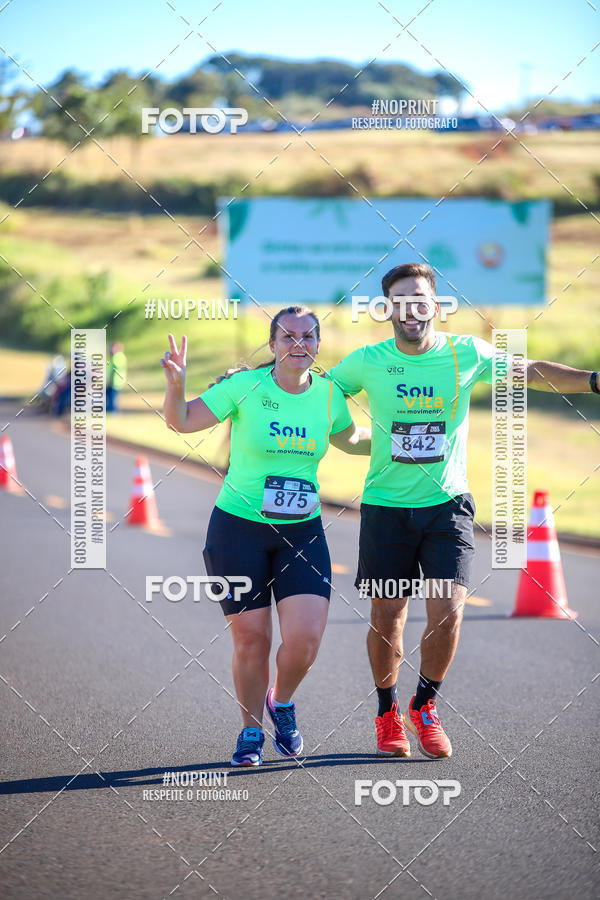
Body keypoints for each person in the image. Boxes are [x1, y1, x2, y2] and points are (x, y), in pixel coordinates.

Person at [327, 261, 599, 759]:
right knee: (388, 612)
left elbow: (530, 370)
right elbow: (324, 390)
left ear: (436, 304)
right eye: (402, 299)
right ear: (388, 308)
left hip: (447, 504)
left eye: (421, 298)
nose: (413, 308)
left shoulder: (465, 352)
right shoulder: (367, 359)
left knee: (448, 610)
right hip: (387, 507)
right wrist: (353, 439)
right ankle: (387, 713)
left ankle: (425, 706)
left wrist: (595, 380)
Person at [161, 306, 370, 767]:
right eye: (289, 337)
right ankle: (251, 731)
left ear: (318, 345)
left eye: (309, 337)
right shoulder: (245, 387)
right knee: (252, 639)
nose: (300, 344)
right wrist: (176, 384)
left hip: (301, 533)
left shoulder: (330, 395)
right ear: (272, 344)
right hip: (238, 530)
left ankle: (283, 701)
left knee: (305, 640)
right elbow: (183, 420)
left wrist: (404, 436)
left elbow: (352, 439)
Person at [107, 341, 127, 412]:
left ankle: (113, 410)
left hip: (116, 381)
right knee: (112, 396)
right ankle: (112, 409)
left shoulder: (117, 356)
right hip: (115, 380)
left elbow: (116, 366)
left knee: (113, 397)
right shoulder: (116, 356)